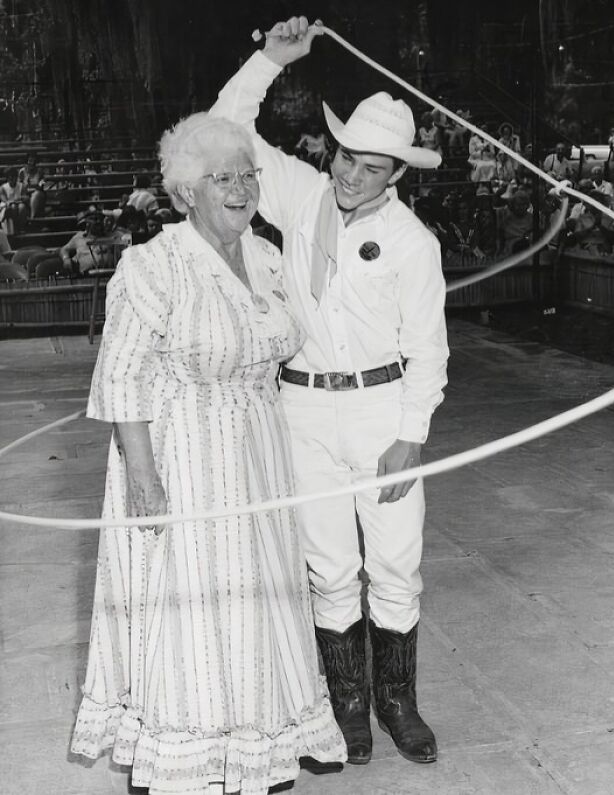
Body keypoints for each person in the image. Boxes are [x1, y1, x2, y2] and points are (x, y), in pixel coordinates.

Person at [69, 112, 346, 794]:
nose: (241, 187)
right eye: (221, 175)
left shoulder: (267, 256)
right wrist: (143, 478)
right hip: (183, 459)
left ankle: (255, 753)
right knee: (196, 613)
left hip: (258, 456)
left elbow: (294, 339)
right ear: (185, 190)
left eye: (248, 173)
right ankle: (183, 761)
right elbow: (122, 378)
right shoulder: (152, 264)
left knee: (257, 609)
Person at [210, 15, 448, 767]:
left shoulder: (415, 243)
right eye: (346, 157)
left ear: (396, 174)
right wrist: (268, 60)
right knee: (328, 564)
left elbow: (429, 351)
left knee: (395, 562)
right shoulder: (300, 194)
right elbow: (223, 134)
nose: (350, 175)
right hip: (304, 407)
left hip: (384, 413)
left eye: (371, 167)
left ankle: (397, 702)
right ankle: (346, 708)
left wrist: (410, 432)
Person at [0, 167, 28, 234]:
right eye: (10, 177)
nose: (12, 179)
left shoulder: (22, 186)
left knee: (22, 207)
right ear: (7, 178)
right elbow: (4, 200)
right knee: (13, 207)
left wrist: (20, 198)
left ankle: (21, 227)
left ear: (16, 177)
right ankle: (14, 227)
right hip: (9, 206)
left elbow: (25, 197)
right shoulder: (3, 187)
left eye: (13, 176)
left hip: (20, 204)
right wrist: (11, 201)